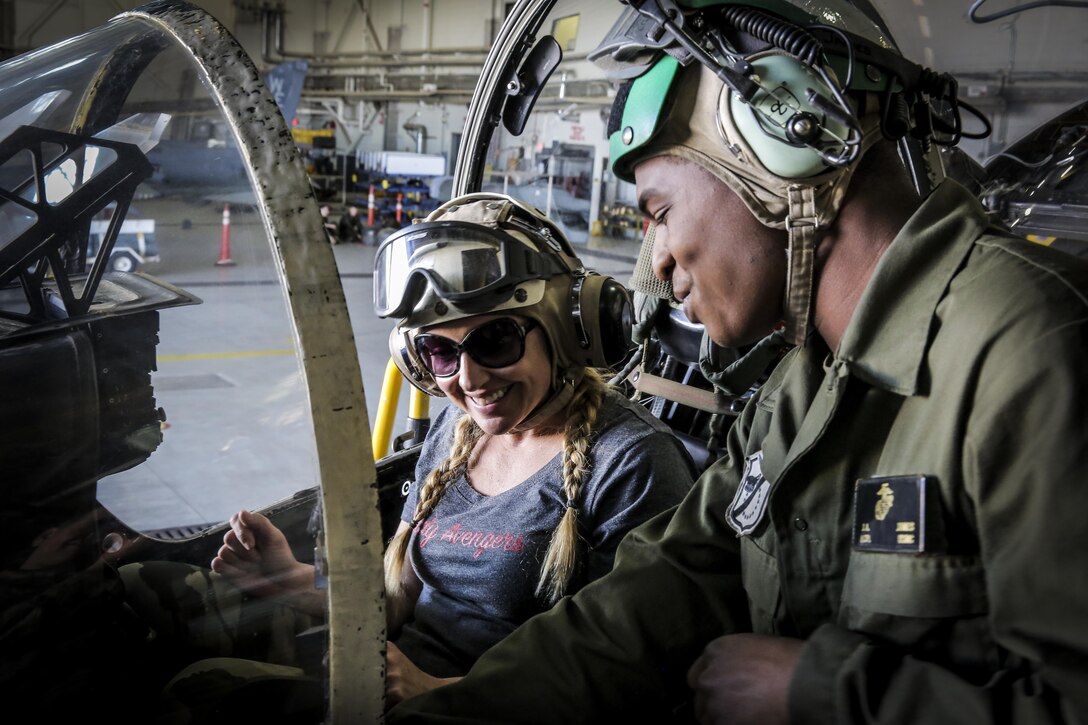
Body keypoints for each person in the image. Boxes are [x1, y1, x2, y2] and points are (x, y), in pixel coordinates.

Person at [387, 2, 1088, 724]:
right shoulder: (800, 387)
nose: (655, 261)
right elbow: (665, 588)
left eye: (659, 211)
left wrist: (822, 692)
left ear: (783, 144)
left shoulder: (1034, 349)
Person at [130, 192, 697, 715]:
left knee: (201, 692)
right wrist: (287, 579)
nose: (469, 380)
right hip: (392, 671)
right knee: (141, 589)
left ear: (567, 331)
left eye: (495, 340)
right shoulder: (458, 427)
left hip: (477, 708)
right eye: (439, 351)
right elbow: (399, 601)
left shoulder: (633, 463)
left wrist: (443, 694)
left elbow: (629, 676)